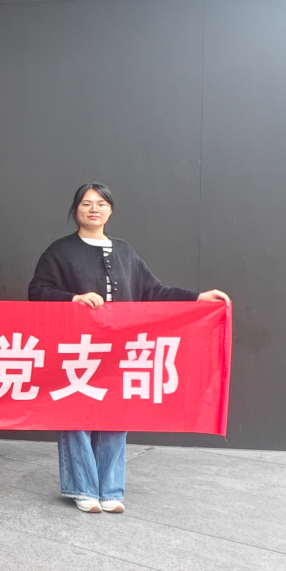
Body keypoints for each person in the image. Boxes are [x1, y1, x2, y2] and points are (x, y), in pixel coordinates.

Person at [29, 182, 230, 514]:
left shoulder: (125, 252)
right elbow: (37, 291)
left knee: (115, 413)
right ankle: (82, 488)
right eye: (86, 203)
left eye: (101, 203)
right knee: (74, 413)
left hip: (120, 348)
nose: (93, 208)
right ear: (75, 210)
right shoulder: (59, 252)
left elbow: (154, 292)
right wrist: (73, 299)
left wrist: (197, 298)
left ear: (110, 210)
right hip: (76, 349)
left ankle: (110, 489)